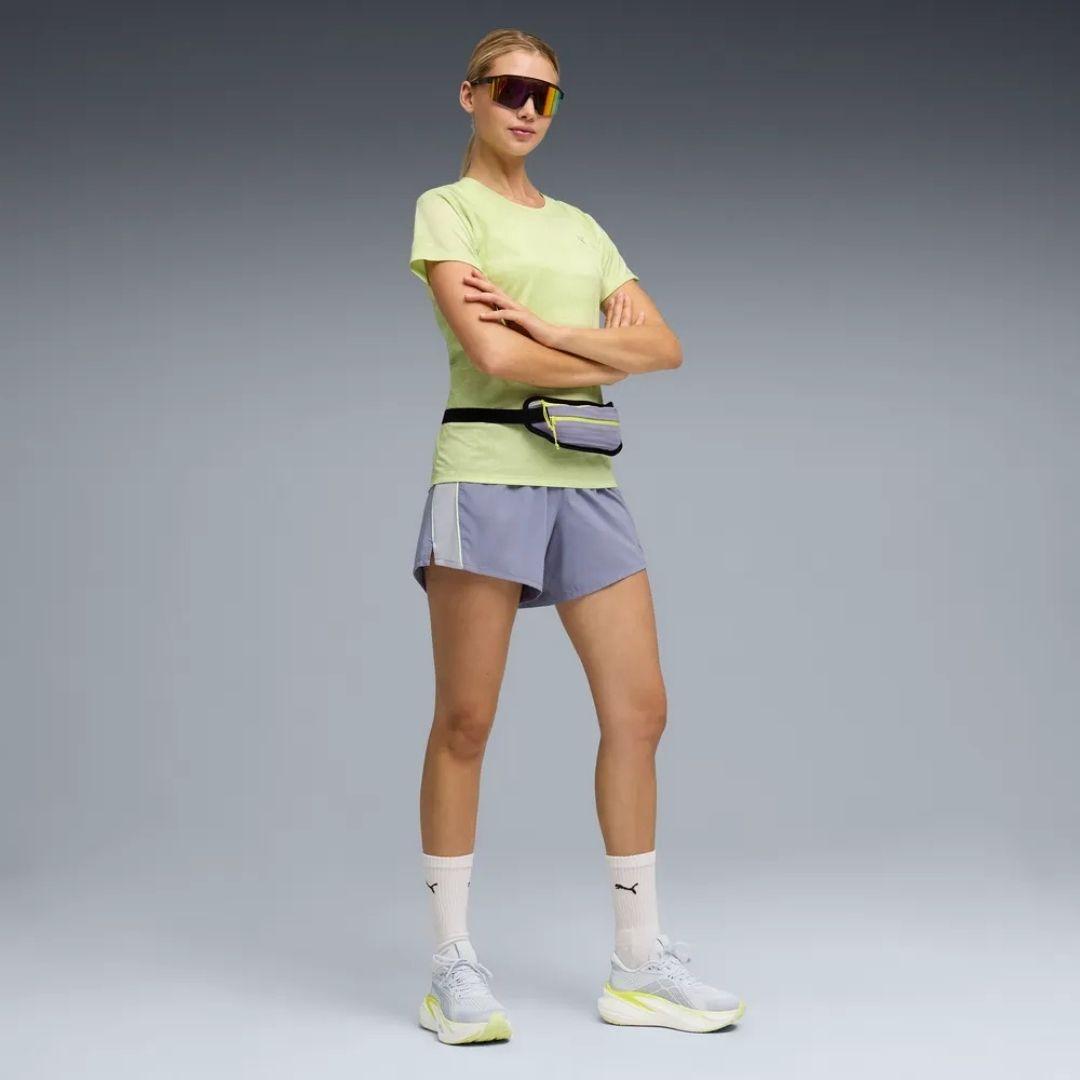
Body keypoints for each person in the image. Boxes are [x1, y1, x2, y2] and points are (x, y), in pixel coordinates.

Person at [408, 28, 745, 1044]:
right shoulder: (447, 210)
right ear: (469, 95)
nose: (526, 109)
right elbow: (491, 357)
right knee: (466, 721)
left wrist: (549, 329)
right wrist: (601, 352)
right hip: (486, 470)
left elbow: (666, 347)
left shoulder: (584, 229)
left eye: (545, 96)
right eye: (509, 89)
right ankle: (450, 966)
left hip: (586, 478)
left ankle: (638, 964)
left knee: (641, 711)